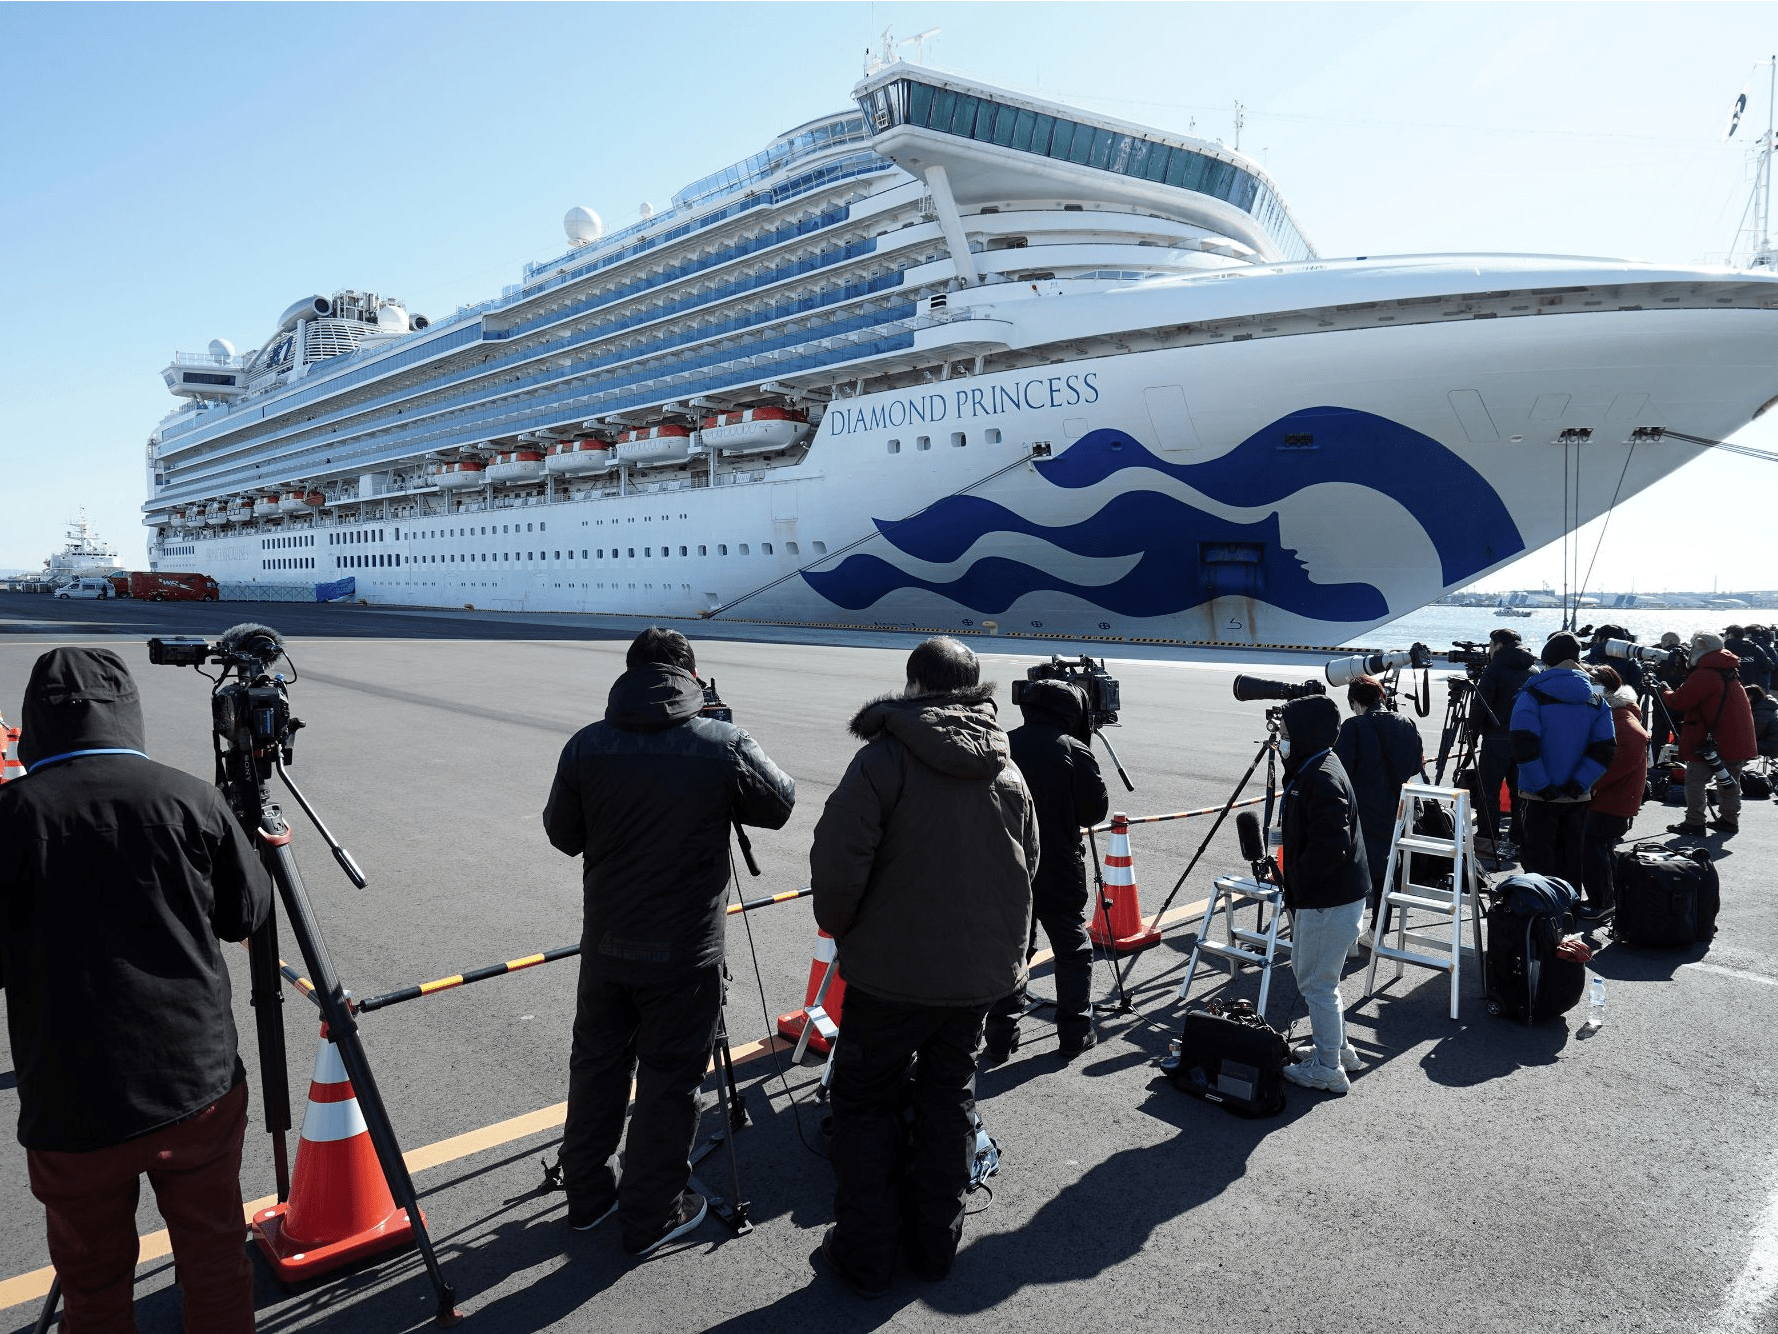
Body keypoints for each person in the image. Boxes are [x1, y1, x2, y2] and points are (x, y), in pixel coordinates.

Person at [0, 647, 273, 1333]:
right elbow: (244, 916)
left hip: (70, 1104)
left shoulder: (11, 813)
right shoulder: (190, 797)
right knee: (214, 1262)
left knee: (92, 1287)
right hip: (194, 1086)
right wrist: (259, 851)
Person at [542, 627, 795, 1256]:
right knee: (670, 1080)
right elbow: (779, 801)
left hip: (606, 945)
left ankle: (587, 1200)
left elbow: (562, 834)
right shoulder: (719, 741)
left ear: (629, 673)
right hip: (686, 952)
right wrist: (727, 733)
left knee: (596, 1067)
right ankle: (651, 1212)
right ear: (690, 677)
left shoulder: (586, 744)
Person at [810, 637, 1037, 1296]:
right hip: (973, 982)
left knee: (865, 1107)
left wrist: (848, 931)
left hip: (888, 976)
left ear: (913, 685)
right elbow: (1028, 870)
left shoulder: (882, 762)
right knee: (949, 1103)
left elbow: (837, 865)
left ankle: (866, 1255)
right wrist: (1006, 960)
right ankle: (936, 1246)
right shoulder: (1008, 770)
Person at [983, 678, 1109, 1063]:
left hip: (1007, 863)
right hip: (1058, 865)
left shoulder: (1002, 742)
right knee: (1072, 947)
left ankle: (1000, 1037)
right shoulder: (1073, 749)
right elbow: (1094, 812)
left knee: (1012, 948)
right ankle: (1074, 1032)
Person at [1277, 694, 1370, 1096]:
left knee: (1316, 983)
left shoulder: (1320, 776)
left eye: (1284, 733)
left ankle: (1328, 1068)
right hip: (1338, 895)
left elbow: (1331, 846)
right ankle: (1338, 1049)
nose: (1279, 740)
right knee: (1321, 980)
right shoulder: (1320, 763)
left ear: (1302, 734)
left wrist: (1298, 882)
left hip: (1327, 899)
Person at [1510, 632, 1616, 889]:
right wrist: (1578, 784)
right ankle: (1569, 909)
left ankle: (1540, 915)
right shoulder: (1596, 700)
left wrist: (1542, 784)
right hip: (1577, 796)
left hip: (1537, 796)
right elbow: (1604, 749)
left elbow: (1524, 745)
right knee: (1571, 857)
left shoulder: (1531, 694)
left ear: (1547, 660)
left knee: (1537, 858)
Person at [1331, 675, 1424, 904]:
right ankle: (1380, 924)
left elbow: (1340, 773)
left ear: (1354, 702)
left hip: (1364, 809)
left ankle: (1367, 921)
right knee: (1391, 863)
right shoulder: (1407, 722)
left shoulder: (1353, 727)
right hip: (1398, 806)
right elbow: (1415, 767)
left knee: (1362, 869)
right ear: (1381, 697)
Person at [1661, 631, 1757, 837]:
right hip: (1737, 737)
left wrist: (1665, 690)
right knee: (1729, 779)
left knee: (1695, 779)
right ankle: (1729, 820)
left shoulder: (1706, 674)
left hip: (1710, 738)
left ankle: (1694, 821)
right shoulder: (1728, 669)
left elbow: (1680, 701)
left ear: (1701, 647)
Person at [1577, 665, 1649, 921]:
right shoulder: (1615, 713)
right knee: (1601, 849)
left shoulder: (1622, 719)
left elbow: (1628, 751)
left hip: (1612, 799)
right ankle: (1610, 897)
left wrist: (1589, 782)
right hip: (1611, 797)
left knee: (1594, 849)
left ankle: (1602, 901)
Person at [1472, 628, 1536, 858]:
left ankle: (1489, 838)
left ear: (1497, 645)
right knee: (1520, 791)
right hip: (1525, 738)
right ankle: (1519, 837)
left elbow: (1481, 703)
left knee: (1488, 789)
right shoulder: (1533, 669)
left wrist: (1472, 730)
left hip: (1496, 736)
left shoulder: (1495, 668)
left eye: (1490, 646)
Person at [1724, 625, 1775, 691]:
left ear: (1730, 635)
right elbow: (1768, 666)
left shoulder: (1724, 650)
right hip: (1752, 689)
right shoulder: (1755, 648)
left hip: (1730, 688)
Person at [1748, 685, 1778, 758]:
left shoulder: (1761, 711)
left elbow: (1754, 733)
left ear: (1750, 697)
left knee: (1738, 744)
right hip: (1772, 743)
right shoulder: (1766, 705)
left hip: (1771, 746)